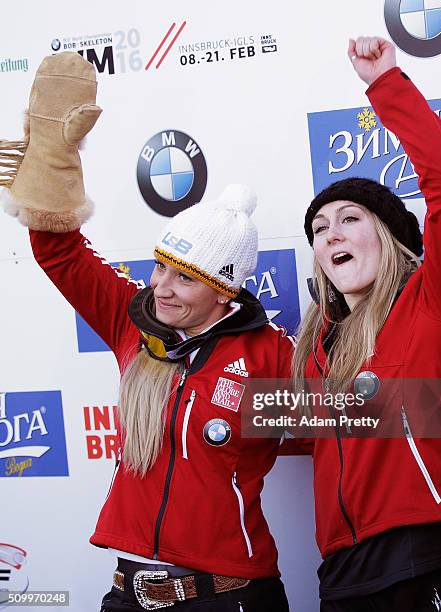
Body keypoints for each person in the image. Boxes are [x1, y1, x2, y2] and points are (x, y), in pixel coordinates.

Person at [1, 52, 293, 611]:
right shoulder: (131, 322)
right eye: (160, 267)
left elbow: (352, 423)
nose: (161, 287)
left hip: (229, 595)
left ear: (223, 291)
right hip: (128, 591)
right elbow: (59, 251)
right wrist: (53, 161)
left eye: (185, 278)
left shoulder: (268, 355)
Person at [293, 36, 441, 611]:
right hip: (340, 577)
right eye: (319, 228)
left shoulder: (437, 302)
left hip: (432, 563)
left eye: (350, 219)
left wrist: (385, 84)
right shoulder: (315, 351)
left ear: (390, 238)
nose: (330, 234)